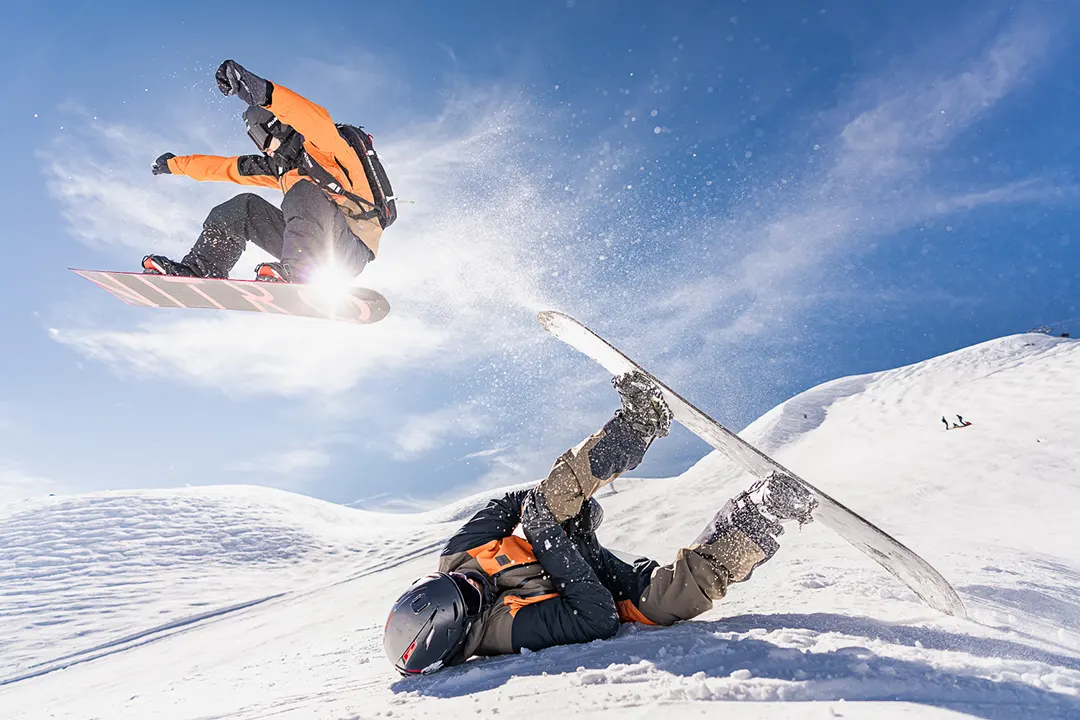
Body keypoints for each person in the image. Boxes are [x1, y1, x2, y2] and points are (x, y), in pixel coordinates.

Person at [383, 371, 816, 675]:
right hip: (604, 591)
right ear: (462, 630)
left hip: (565, 543)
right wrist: (551, 541)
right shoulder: (504, 631)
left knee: (547, 498)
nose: (472, 583)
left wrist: (552, 521)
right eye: (469, 598)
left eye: (459, 581)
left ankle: (637, 424)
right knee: (672, 603)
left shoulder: (458, 555)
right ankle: (761, 515)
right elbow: (597, 619)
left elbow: (511, 504)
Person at [141, 59, 394, 283]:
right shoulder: (281, 169)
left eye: (261, 136)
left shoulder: (326, 147)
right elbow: (224, 168)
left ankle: (299, 272)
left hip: (349, 249)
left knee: (302, 192)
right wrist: (174, 164)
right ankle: (201, 270)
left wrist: (259, 91)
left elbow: (307, 115)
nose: (262, 148)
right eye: (254, 139)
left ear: (280, 128)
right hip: (311, 244)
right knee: (243, 208)